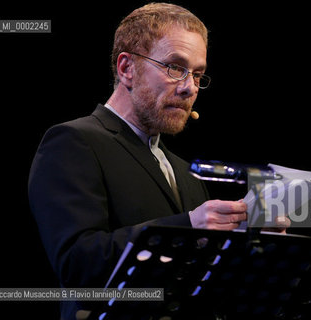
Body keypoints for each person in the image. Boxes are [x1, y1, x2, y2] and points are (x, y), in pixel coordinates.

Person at [28, 3, 287, 319]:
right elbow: (77, 264)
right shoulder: (74, 141)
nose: (190, 87)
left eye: (198, 74)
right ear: (127, 68)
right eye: (175, 67)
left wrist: (254, 245)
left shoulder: (185, 172)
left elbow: (198, 283)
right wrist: (188, 226)